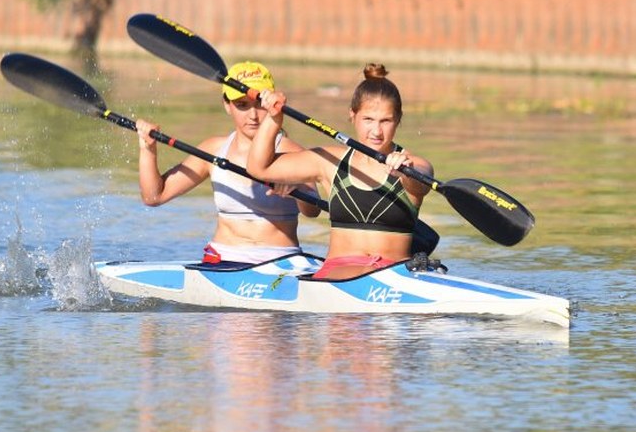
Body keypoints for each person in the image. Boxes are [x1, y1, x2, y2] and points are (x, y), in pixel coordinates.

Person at [247, 63, 433, 280]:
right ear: (352, 115)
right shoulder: (329, 162)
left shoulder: (414, 165)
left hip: (394, 276)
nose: (376, 131)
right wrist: (273, 119)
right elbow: (260, 168)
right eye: (368, 119)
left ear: (398, 120)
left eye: (386, 121)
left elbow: (422, 182)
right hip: (337, 276)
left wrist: (406, 172)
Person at [135, 61, 320, 264]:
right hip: (221, 258)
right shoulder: (213, 149)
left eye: (260, 105)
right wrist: (148, 148)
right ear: (226, 106)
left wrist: (297, 189)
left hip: (281, 260)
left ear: (272, 104)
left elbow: (313, 211)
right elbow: (154, 197)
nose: (253, 115)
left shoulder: (291, 151)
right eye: (242, 105)